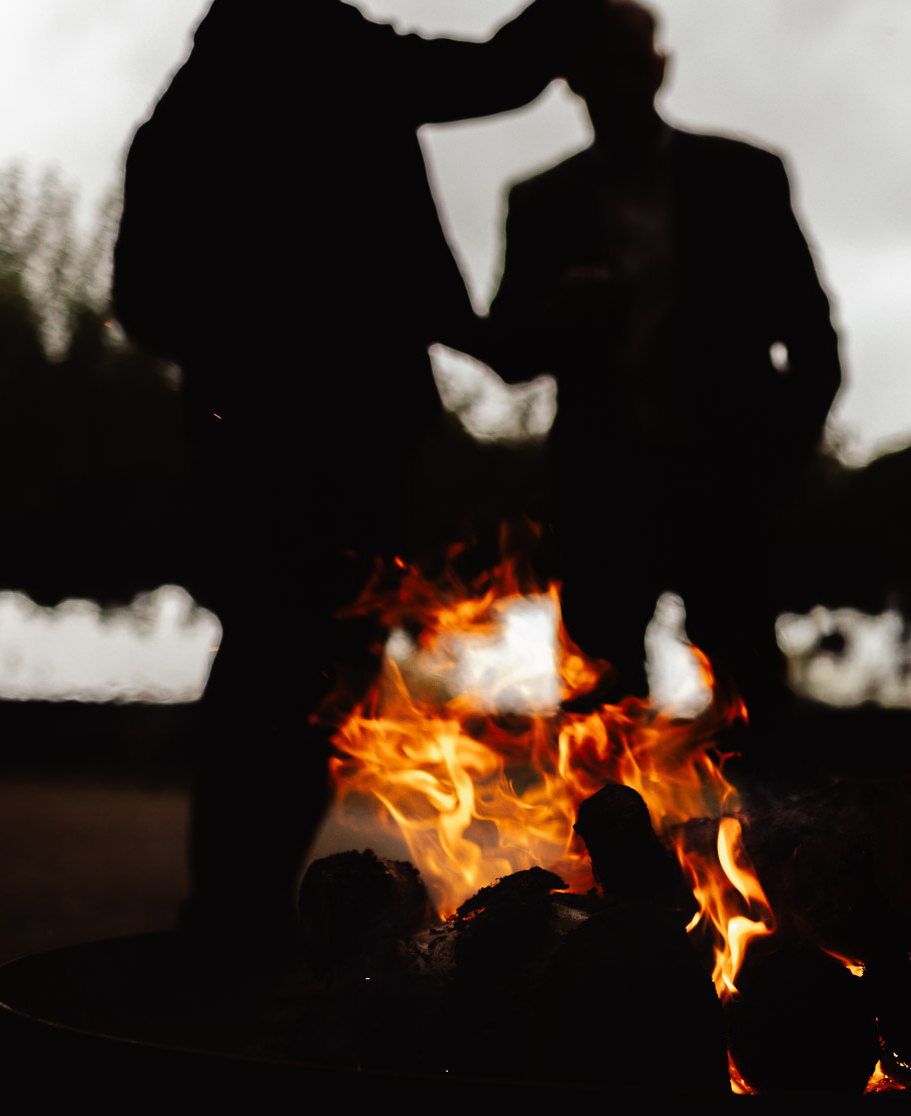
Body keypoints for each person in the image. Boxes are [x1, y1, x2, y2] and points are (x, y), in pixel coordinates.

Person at [112, 0, 602, 947]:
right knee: (318, 666)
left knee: (267, 658)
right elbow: (503, 73)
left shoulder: (181, 122)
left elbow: (142, 301)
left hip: (244, 437)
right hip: (344, 437)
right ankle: (235, 909)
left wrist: (241, 355)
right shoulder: (338, 56)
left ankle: (228, 908)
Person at [474, 0, 841, 754]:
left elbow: (813, 343)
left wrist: (776, 466)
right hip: (602, 496)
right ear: (570, 80)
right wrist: (558, 314)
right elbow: (507, 353)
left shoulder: (745, 178)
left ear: (658, 69)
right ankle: (608, 868)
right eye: (596, 65)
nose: (611, 82)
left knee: (751, 703)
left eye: (625, 63)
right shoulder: (540, 202)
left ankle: (779, 862)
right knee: (599, 714)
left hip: (726, 489)